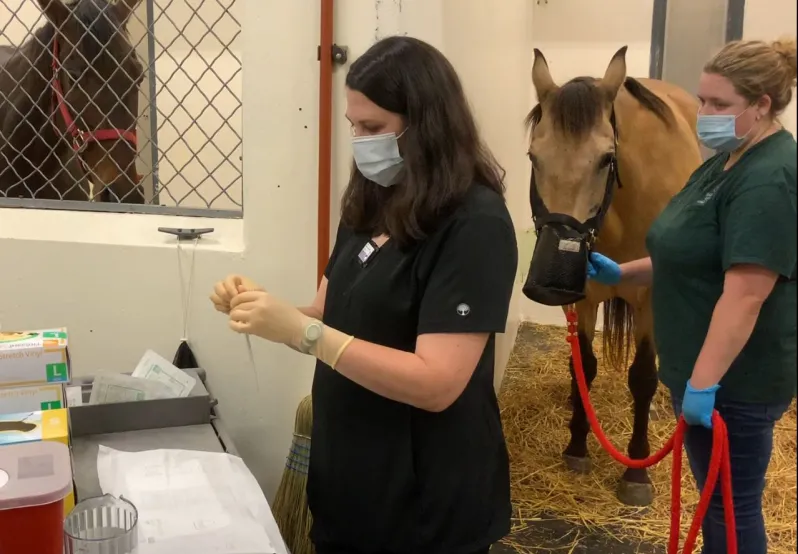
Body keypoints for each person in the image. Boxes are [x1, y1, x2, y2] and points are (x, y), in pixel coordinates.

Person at [210, 36, 518, 554]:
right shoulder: (373, 202)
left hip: (424, 503)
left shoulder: (474, 224)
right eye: (353, 125)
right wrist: (268, 310)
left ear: (426, 125)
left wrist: (305, 332)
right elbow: (326, 316)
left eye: (372, 127)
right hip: (351, 484)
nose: (359, 140)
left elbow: (437, 383)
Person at [587, 38, 797, 554]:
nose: (704, 114)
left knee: (729, 508)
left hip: (736, 382)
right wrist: (623, 272)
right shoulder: (724, 163)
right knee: (715, 503)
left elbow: (746, 295)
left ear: (762, 104)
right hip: (704, 373)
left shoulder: (769, 177)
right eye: (703, 101)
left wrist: (703, 384)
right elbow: (692, 250)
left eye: (719, 104)